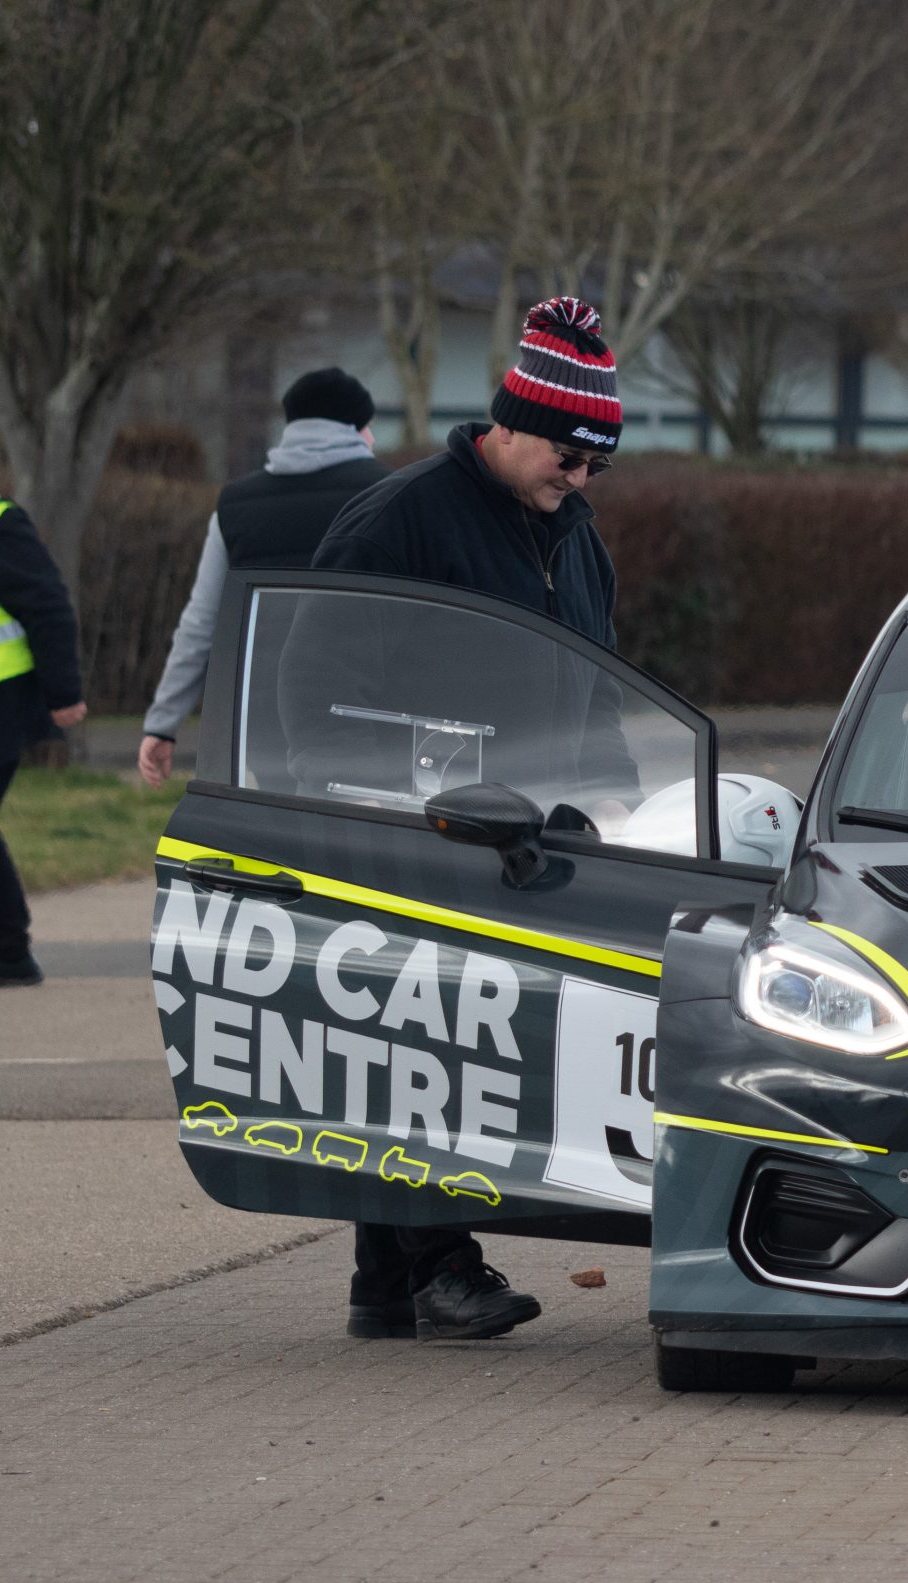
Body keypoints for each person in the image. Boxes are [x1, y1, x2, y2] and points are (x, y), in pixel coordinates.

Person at [307, 295, 628, 1345]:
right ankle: (443, 1267)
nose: (578, 482)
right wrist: (372, 794)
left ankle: (383, 1283)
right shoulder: (398, 523)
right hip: (407, 834)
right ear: (511, 422)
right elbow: (314, 686)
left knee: (444, 1049)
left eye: (596, 467)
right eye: (566, 458)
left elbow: (598, 688)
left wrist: (613, 796)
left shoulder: (576, 544)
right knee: (418, 1050)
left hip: (527, 841)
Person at [137, 368, 388, 786]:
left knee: (279, 838)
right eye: (369, 428)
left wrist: (162, 724)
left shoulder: (235, 504)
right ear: (353, 428)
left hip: (261, 718)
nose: (373, 440)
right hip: (362, 717)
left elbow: (201, 622)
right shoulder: (386, 495)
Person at [0, 494, 88, 988]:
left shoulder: (0, 524)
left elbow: (48, 605)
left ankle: (10, 951)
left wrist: (64, 693)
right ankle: (9, 951)